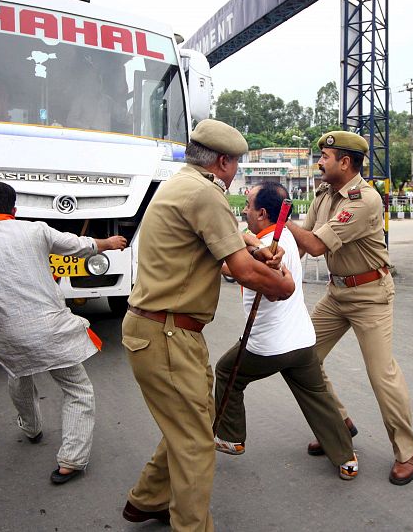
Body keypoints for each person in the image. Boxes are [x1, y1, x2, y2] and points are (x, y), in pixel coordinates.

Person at [120, 119, 294, 531]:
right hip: (167, 333)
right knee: (197, 442)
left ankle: (147, 499)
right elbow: (243, 272)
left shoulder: (184, 183)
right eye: (235, 165)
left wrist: (253, 247)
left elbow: (229, 239)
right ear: (223, 162)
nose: (236, 175)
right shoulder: (205, 193)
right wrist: (281, 285)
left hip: (165, 330)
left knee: (191, 420)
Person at [0, 181, 127, 484]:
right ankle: (71, 460)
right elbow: (77, 244)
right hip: (51, 331)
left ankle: (31, 428)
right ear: (14, 210)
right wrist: (108, 242)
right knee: (78, 390)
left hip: (7, 337)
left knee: (19, 372)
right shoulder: (36, 230)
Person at [286, 131, 413, 486]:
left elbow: (313, 244)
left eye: (325, 157)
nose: (319, 162)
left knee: (381, 374)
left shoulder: (364, 201)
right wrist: (276, 265)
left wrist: (282, 221)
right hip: (337, 293)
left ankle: (406, 451)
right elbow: (301, 245)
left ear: (345, 162)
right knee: (303, 356)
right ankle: (339, 425)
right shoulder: (324, 195)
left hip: (371, 294)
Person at [213, 182, 358, 481]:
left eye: (249, 205)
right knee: (318, 398)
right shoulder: (285, 237)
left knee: (227, 372)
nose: (244, 209)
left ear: (263, 213)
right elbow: (248, 237)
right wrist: (248, 240)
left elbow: (232, 268)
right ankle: (346, 459)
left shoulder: (266, 253)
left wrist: (217, 259)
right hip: (302, 341)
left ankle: (231, 437)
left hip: (267, 346)